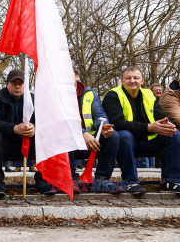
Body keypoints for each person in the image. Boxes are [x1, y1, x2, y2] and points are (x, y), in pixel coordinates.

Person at [103, 66, 180, 195]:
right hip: (125, 144)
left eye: (136, 78)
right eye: (128, 78)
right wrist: (148, 127)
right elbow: (116, 123)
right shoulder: (113, 95)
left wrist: (168, 125)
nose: (132, 81)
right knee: (124, 135)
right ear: (121, 81)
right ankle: (130, 182)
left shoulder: (149, 94)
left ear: (142, 80)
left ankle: (170, 181)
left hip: (148, 140)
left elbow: (160, 116)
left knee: (175, 134)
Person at [0, 69, 39, 199]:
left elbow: (42, 120)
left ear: (25, 85)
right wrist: (14, 128)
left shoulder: (32, 99)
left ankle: (43, 179)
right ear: (7, 84)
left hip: (28, 144)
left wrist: (34, 128)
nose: (17, 86)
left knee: (43, 135)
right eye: (13, 83)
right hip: (5, 144)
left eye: (20, 83)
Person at [71, 67, 121, 193]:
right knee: (64, 137)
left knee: (113, 136)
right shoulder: (56, 95)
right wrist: (82, 133)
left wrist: (102, 126)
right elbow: (61, 122)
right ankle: (71, 179)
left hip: (91, 139)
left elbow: (100, 115)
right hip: (68, 138)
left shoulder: (90, 93)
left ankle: (102, 179)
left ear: (77, 76)